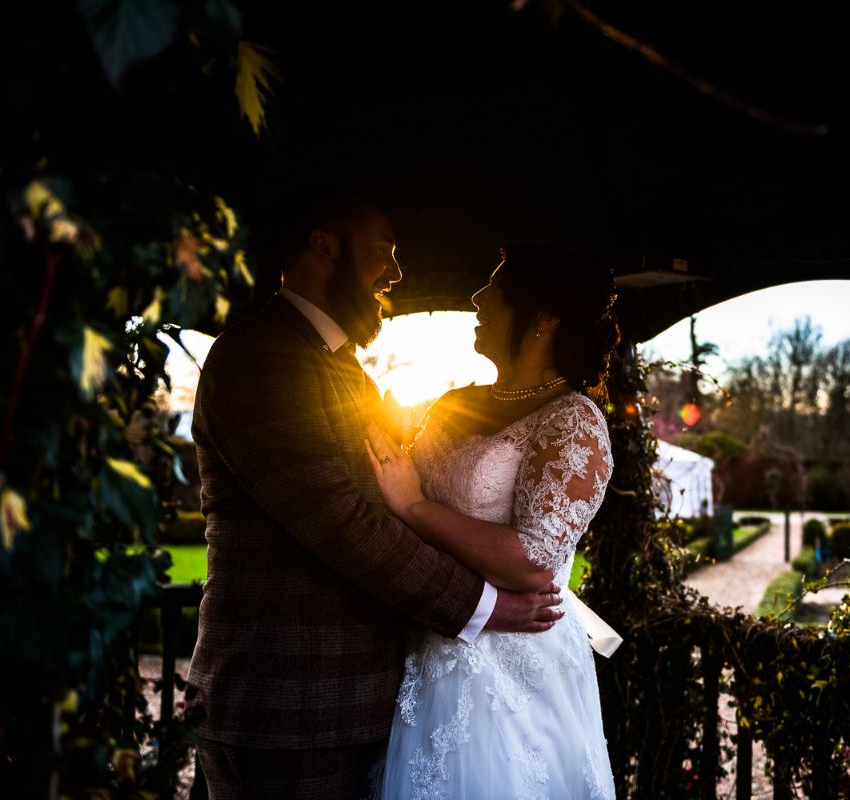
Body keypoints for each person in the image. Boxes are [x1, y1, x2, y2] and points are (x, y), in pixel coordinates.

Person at [186, 185, 565, 800]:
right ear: (323, 246)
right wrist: (484, 606)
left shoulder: (338, 366)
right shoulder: (263, 357)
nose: (395, 271)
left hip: (354, 703)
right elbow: (342, 519)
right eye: (383, 251)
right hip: (288, 707)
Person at [365, 244, 621, 799]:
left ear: (544, 318)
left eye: (496, 288)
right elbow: (392, 495)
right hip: (418, 636)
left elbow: (533, 562)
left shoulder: (572, 420)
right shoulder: (452, 404)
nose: (479, 298)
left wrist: (415, 507)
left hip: (510, 665)